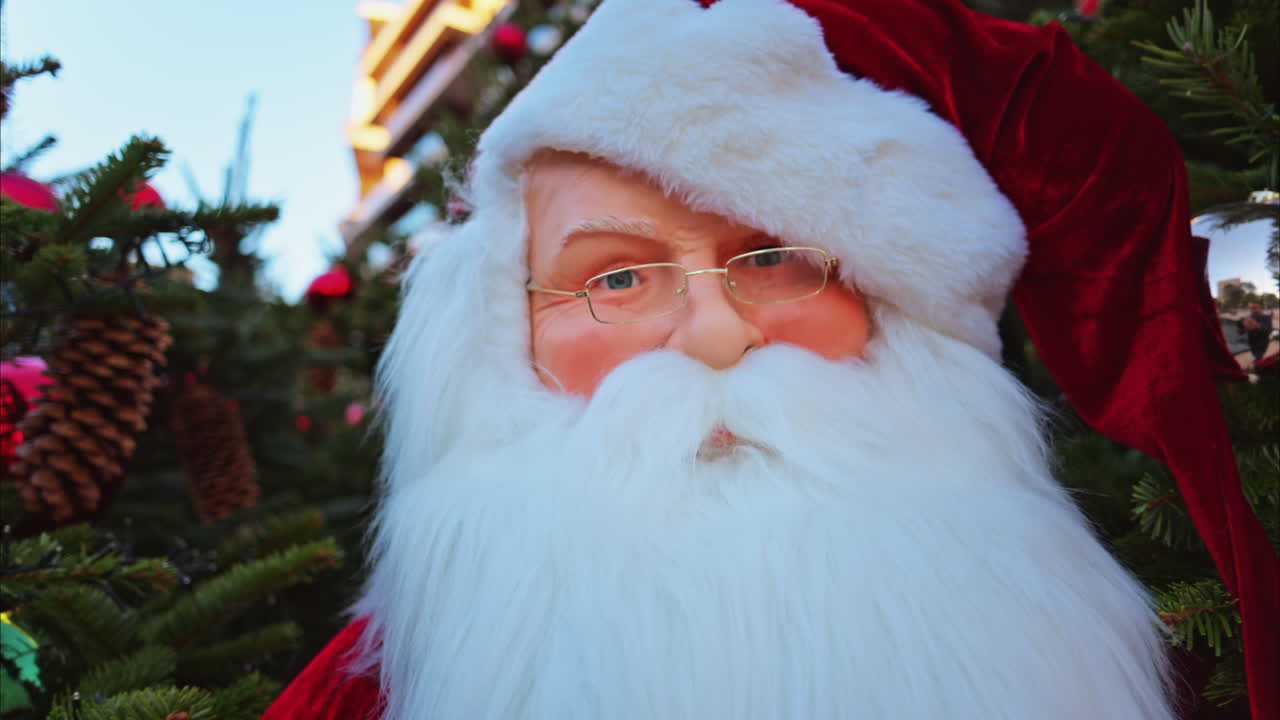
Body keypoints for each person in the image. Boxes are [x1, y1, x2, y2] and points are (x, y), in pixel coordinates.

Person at [263, 1, 1279, 718]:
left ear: (900, 314)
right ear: (498, 338)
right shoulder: (379, 691)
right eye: (615, 280)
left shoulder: (1136, 672)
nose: (713, 336)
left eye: (776, 259)